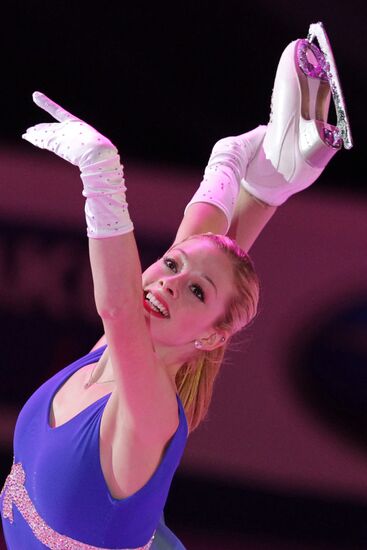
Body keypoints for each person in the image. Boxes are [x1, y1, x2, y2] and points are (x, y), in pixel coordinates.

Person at [0, 22, 352, 550]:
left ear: (212, 338)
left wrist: (101, 173)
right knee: (211, 245)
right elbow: (197, 252)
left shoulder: (150, 410)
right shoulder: (111, 359)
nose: (169, 283)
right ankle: (282, 171)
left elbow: (121, 308)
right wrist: (229, 161)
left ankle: (280, 171)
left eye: (195, 294)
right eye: (166, 267)